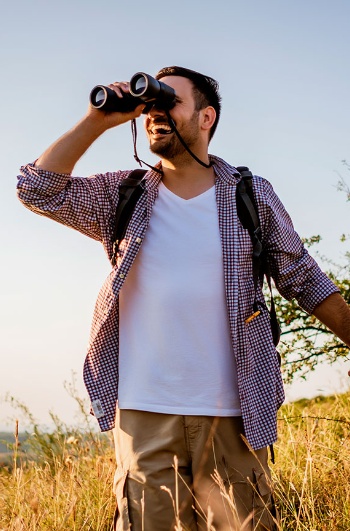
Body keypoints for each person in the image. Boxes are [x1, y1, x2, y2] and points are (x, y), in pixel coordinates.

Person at [17, 66, 350, 531]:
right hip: (143, 413)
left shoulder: (248, 195)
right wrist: (97, 120)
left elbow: (305, 280)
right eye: (149, 103)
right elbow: (35, 188)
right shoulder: (124, 194)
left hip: (233, 413)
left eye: (168, 101)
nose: (154, 111)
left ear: (206, 116)